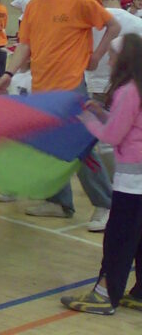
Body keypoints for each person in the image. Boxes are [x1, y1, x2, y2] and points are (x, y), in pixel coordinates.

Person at [0, 0, 120, 229]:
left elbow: (113, 25)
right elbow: (25, 45)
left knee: (81, 148)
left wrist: (97, 55)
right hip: (42, 88)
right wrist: (8, 73)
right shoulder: (33, 7)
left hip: (71, 88)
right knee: (49, 147)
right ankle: (59, 202)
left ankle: (105, 204)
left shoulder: (79, 2)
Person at [61, 34, 142, 316]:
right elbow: (129, 124)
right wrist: (101, 112)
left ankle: (105, 295)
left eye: (112, 55)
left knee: (118, 239)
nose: (107, 59)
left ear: (124, 59)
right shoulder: (137, 89)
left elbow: (113, 135)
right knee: (138, 238)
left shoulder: (127, 91)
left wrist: (87, 121)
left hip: (133, 183)